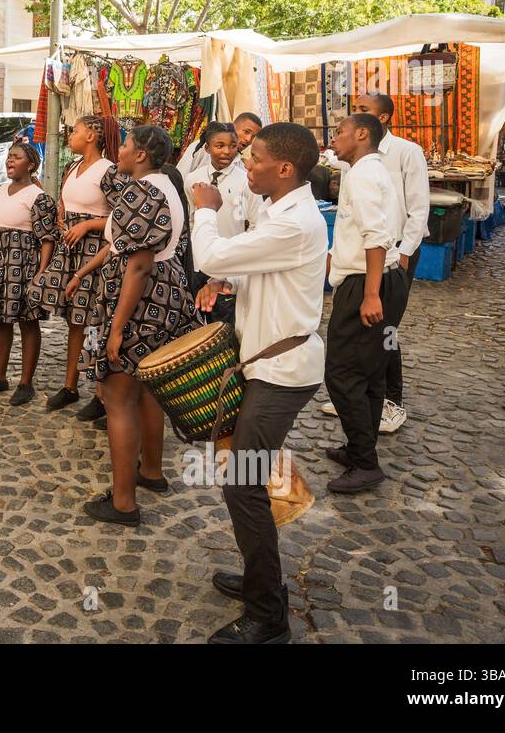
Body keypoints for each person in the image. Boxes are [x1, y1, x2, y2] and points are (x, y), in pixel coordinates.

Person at [188, 121, 327, 645]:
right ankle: (258, 582)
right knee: (248, 477)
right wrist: (229, 280)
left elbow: (209, 254)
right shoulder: (278, 211)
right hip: (268, 364)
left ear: (285, 168)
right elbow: (256, 268)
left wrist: (205, 208)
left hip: (282, 373)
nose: (246, 165)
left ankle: (269, 615)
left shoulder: (294, 221)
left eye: (255, 159)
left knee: (243, 484)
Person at [69, 126, 200, 525]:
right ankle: (152, 471)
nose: (120, 150)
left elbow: (139, 264)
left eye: (126, 145)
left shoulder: (141, 192)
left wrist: (116, 327)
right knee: (148, 391)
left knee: (118, 397)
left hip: (140, 300)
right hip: (166, 295)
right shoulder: (168, 186)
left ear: (141, 154)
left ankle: (123, 502)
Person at [324, 114, 409, 494]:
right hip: (380, 278)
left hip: (367, 283)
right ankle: (361, 448)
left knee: (342, 375)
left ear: (361, 134)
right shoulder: (370, 170)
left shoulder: (363, 174)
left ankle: (365, 462)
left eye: (339, 132)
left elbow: (376, 237)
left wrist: (371, 293)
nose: (334, 138)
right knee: (371, 373)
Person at [27, 115, 120, 412]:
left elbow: (123, 218)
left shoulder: (109, 171)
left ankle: (100, 394)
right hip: (71, 246)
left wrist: (89, 224)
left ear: (92, 135)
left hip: (95, 250)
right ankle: (70, 386)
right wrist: (65, 220)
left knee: (94, 320)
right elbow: (66, 205)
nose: (70, 134)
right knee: (74, 321)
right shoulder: (72, 167)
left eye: (76, 130)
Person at [353, 94, 428, 434]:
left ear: (382, 118)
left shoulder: (407, 152)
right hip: (364, 253)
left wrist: (406, 252)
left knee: (386, 326)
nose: (357, 114)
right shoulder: (353, 155)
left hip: (396, 253)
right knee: (360, 324)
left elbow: (418, 206)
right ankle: (363, 395)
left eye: (364, 110)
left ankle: (392, 402)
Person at [0, 141, 57, 404]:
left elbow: (48, 238)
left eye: (15, 157)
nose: (9, 161)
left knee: (28, 322)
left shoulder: (38, 198)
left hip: (22, 264)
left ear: (30, 165)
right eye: (8, 157)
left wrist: (41, 271)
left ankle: (26, 383)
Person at [185, 121, 250, 325]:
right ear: (207, 148)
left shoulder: (245, 180)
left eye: (232, 145)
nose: (227, 151)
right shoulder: (192, 179)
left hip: (229, 262)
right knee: (201, 319)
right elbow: (192, 216)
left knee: (225, 320)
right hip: (199, 262)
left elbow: (249, 223)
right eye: (219, 146)